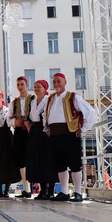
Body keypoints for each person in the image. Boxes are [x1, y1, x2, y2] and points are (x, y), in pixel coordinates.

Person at [44, 73, 96, 202]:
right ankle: (64, 192)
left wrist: (82, 129)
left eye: (59, 81)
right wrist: (47, 129)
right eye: (54, 81)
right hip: (55, 135)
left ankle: (78, 192)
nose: (56, 84)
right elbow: (46, 115)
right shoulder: (50, 98)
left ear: (65, 82)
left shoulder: (73, 97)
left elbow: (91, 112)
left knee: (74, 164)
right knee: (60, 165)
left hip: (70, 134)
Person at [25, 79, 57, 200]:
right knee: (37, 160)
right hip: (35, 131)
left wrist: (48, 128)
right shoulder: (32, 102)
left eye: (39, 87)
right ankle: (42, 190)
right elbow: (30, 116)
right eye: (35, 86)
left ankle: (51, 190)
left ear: (45, 88)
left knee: (48, 160)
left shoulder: (49, 100)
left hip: (46, 130)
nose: (37, 89)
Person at [8, 76, 34, 198]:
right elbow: (8, 119)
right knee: (21, 160)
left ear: (27, 85)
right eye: (18, 84)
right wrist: (15, 123)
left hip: (31, 131)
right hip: (19, 132)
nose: (19, 87)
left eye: (22, 84)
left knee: (33, 158)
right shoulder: (14, 102)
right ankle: (26, 189)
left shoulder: (33, 99)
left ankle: (40, 188)